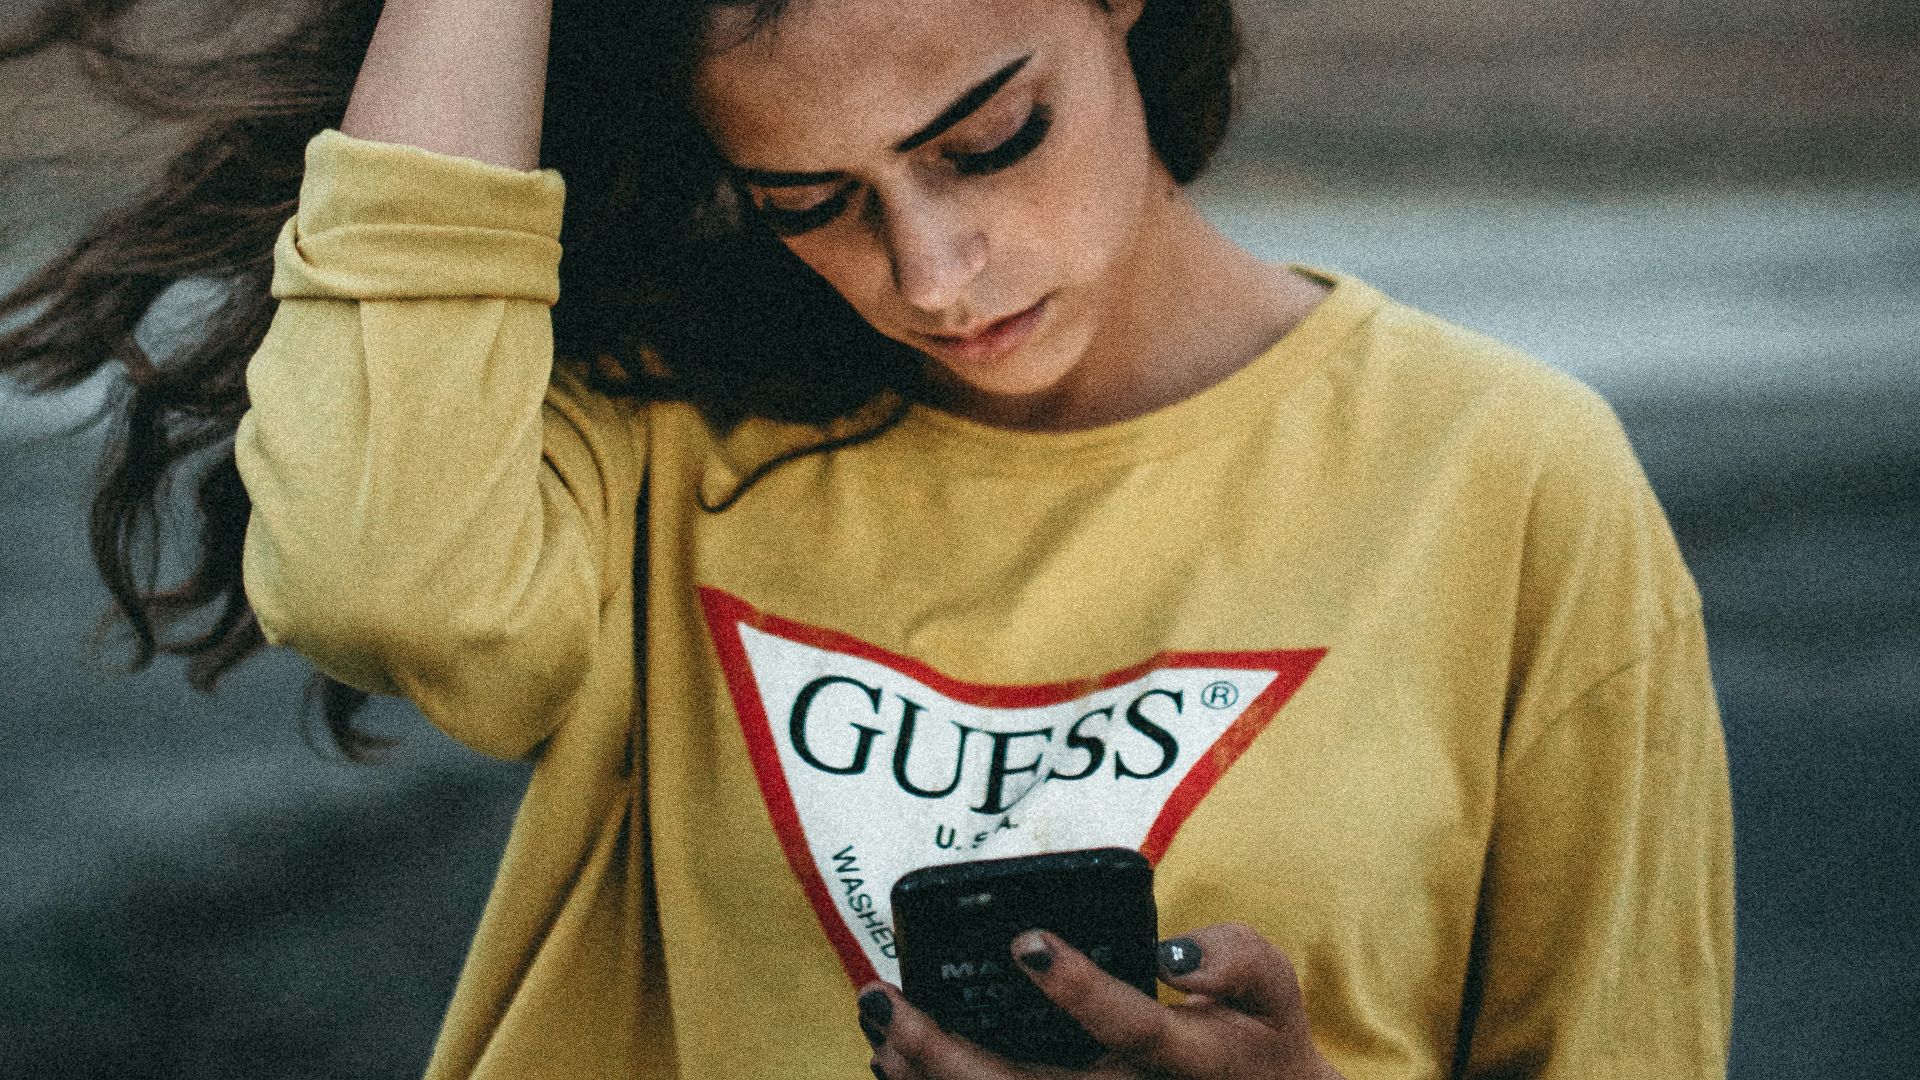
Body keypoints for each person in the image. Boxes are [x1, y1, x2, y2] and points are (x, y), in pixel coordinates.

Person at [0, 0, 1735, 1077]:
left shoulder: (1505, 476)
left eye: (989, 141)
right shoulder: (675, 447)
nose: (929, 273)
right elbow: (370, 568)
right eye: (808, 204)